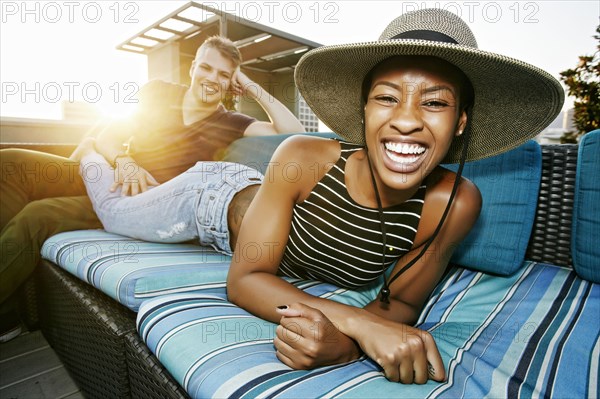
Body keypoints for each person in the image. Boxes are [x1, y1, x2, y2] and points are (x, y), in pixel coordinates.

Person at [75, 9, 563, 384]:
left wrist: (346, 346)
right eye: (387, 97)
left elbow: (397, 312)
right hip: (211, 197)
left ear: (459, 122)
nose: (408, 120)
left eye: (434, 102)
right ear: (365, 109)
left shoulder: (455, 205)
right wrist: (358, 326)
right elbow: (245, 281)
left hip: (238, 197)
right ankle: (91, 156)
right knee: (112, 209)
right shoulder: (305, 157)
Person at [0, 35, 305, 342]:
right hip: (110, 169)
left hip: (137, 202)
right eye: (206, 68)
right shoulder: (159, 92)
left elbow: (294, 132)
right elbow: (107, 137)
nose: (212, 78)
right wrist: (124, 159)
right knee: (10, 163)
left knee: (36, 216)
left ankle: (5, 313)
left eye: (224, 75)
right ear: (193, 68)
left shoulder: (232, 122)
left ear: (231, 83)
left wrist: (250, 85)